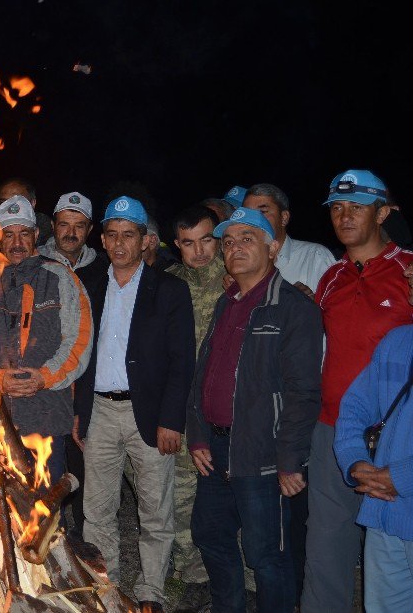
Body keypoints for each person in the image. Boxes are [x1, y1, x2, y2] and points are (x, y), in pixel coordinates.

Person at [186, 207, 323, 613]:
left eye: (248, 238)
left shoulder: (294, 308)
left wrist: (291, 461)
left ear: (273, 246)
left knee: (267, 556)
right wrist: (196, 434)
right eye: (228, 242)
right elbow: (204, 375)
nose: (235, 248)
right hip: (214, 448)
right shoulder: (227, 303)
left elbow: (303, 392)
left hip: (263, 455)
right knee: (211, 538)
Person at [73, 196, 195, 611]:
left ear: (145, 241)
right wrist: (81, 412)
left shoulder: (170, 290)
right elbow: (80, 353)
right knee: (97, 509)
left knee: (155, 512)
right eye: (112, 234)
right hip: (101, 411)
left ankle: (150, 592)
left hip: (150, 414)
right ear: (103, 240)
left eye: (129, 234)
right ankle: (105, 590)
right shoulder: (90, 285)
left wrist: (171, 419)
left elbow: (183, 362)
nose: (120, 242)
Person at [303, 170, 413, 612]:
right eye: (336, 208)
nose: (344, 216)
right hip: (334, 428)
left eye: (357, 207)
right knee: (326, 550)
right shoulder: (331, 277)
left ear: (382, 212)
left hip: (399, 437)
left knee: (393, 549)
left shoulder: (407, 269)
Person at [0, 195, 93, 485]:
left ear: (37, 235)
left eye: (24, 233)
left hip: (47, 414)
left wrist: (44, 376)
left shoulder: (61, 278)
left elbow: (79, 341)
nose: (17, 243)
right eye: (9, 234)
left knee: (48, 506)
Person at [333, 263, 413, 611]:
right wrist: (356, 462)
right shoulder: (398, 342)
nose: (408, 273)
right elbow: (354, 407)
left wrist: (402, 477)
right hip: (385, 512)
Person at [163, 204, 225, 603]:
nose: (199, 251)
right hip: (183, 411)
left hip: (227, 411)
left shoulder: (239, 279)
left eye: (206, 239)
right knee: (182, 497)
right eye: (189, 243)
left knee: (233, 498)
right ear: (177, 245)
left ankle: (243, 584)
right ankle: (193, 579)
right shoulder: (166, 284)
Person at [243, 183, 336, 297]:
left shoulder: (314, 256)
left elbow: (338, 306)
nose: (253, 220)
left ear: (284, 218)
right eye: (248, 214)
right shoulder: (242, 262)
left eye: (263, 212)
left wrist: (309, 303)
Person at [38, 191, 109, 291]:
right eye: (64, 225)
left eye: (79, 226)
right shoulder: (33, 263)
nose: (71, 233)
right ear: (53, 226)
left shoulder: (103, 267)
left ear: (89, 230)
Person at [0, 177, 53, 244]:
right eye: (3, 202)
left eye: (18, 202)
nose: (10, 208)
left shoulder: (50, 238)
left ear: (33, 203)